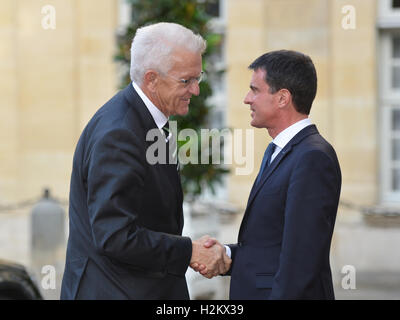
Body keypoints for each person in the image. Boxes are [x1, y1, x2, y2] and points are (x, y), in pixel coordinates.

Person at [60, 22, 231, 300]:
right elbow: (115, 236)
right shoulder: (120, 132)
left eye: (198, 78)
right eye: (186, 80)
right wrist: (189, 251)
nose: (196, 90)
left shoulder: (144, 121)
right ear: (151, 79)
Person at [194, 50, 341, 299]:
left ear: (283, 98)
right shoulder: (280, 151)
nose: (246, 99)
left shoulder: (312, 158)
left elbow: (300, 263)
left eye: (255, 90)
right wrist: (226, 255)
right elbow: (270, 247)